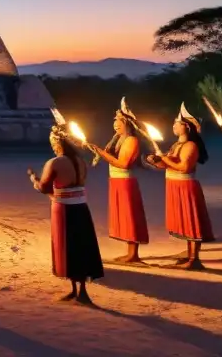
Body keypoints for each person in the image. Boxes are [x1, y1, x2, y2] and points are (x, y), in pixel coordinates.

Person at [28, 117, 104, 304]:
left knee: (68, 247)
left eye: (53, 142)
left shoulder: (55, 162)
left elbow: (44, 188)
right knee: (81, 246)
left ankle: (77, 291)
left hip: (64, 210)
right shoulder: (80, 161)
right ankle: (79, 290)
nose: (52, 145)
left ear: (58, 142)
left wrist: (33, 179)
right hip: (81, 208)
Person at [146, 103, 214, 270]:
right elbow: (168, 165)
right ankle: (189, 255)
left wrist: (164, 157)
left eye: (177, 122)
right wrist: (156, 161)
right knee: (184, 221)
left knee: (192, 221)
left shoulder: (191, 146)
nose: (174, 125)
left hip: (186, 186)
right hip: (174, 185)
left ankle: (194, 259)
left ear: (187, 127)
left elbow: (184, 167)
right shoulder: (176, 145)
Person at [87, 99, 150, 264]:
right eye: (115, 121)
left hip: (126, 183)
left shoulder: (131, 140)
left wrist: (101, 152)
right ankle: (130, 253)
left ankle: (133, 254)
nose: (115, 124)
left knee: (131, 216)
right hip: (117, 181)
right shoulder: (119, 139)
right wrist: (101, 151)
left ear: (127, 124)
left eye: (119, 121)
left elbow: (123, 163)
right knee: (124, 216)